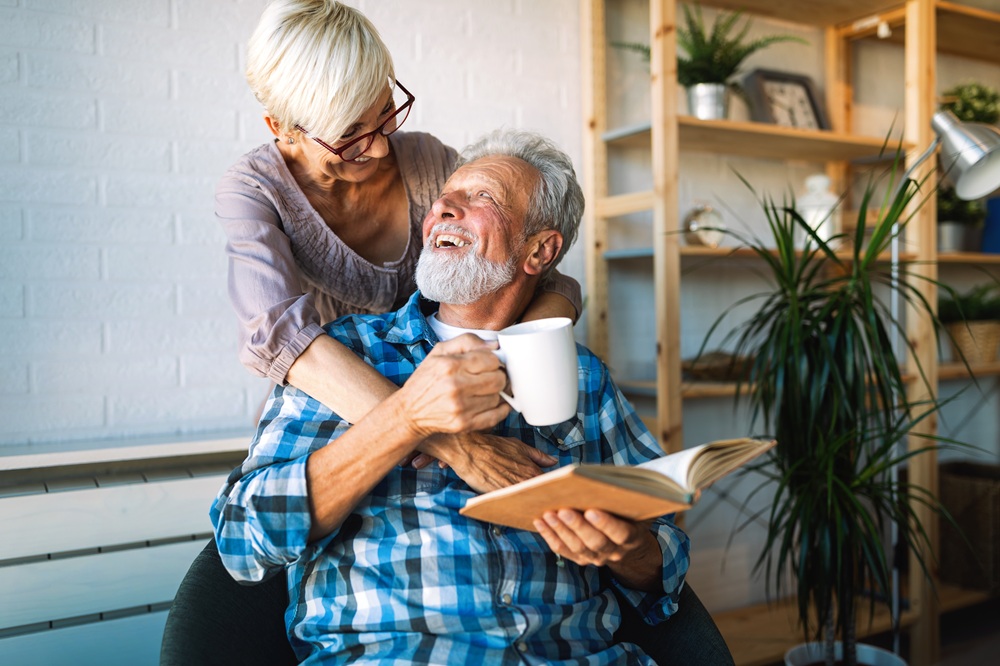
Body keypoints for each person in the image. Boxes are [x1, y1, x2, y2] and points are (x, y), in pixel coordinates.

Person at [212, 129, 693, 665]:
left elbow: (664, 559)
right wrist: (403, 418)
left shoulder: (583, 376)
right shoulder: (349, 356)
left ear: (541, 250)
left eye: (482, 197)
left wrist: (629, 552)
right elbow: (242, 539)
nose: (444, 206)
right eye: (445, 196)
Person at [217, 0, 581, 431]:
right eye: (349, 133)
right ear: (281, 128)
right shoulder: (256, 191)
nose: (380, 148)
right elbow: (277, 337)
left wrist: (516, 361)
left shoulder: (427, 161)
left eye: (386, 112)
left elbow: (540, 266)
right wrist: (440, 439)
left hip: (449, 375)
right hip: (341, 388)